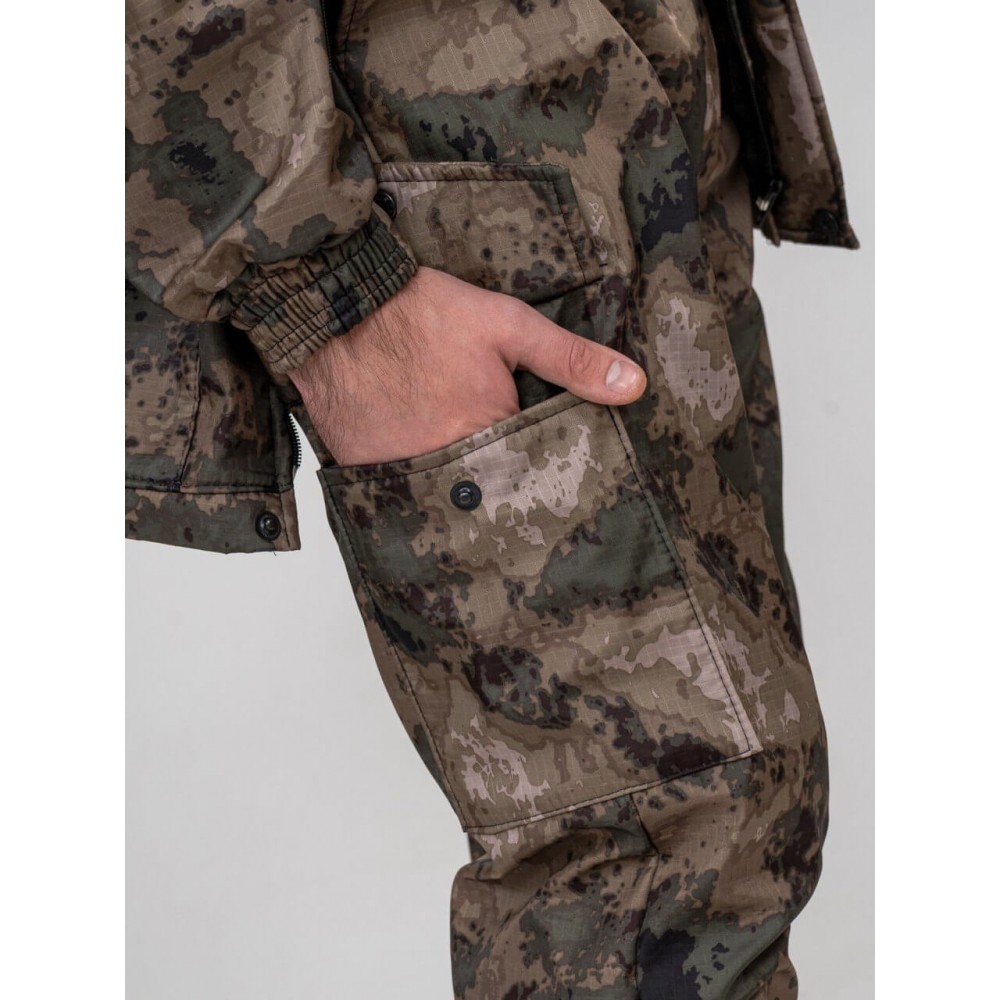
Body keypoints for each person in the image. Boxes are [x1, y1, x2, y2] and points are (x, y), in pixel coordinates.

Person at [125, 1, 857, 996]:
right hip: (474, 198)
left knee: (721, 822)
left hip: (627, 152)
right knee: (653, 881)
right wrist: (328, 294)